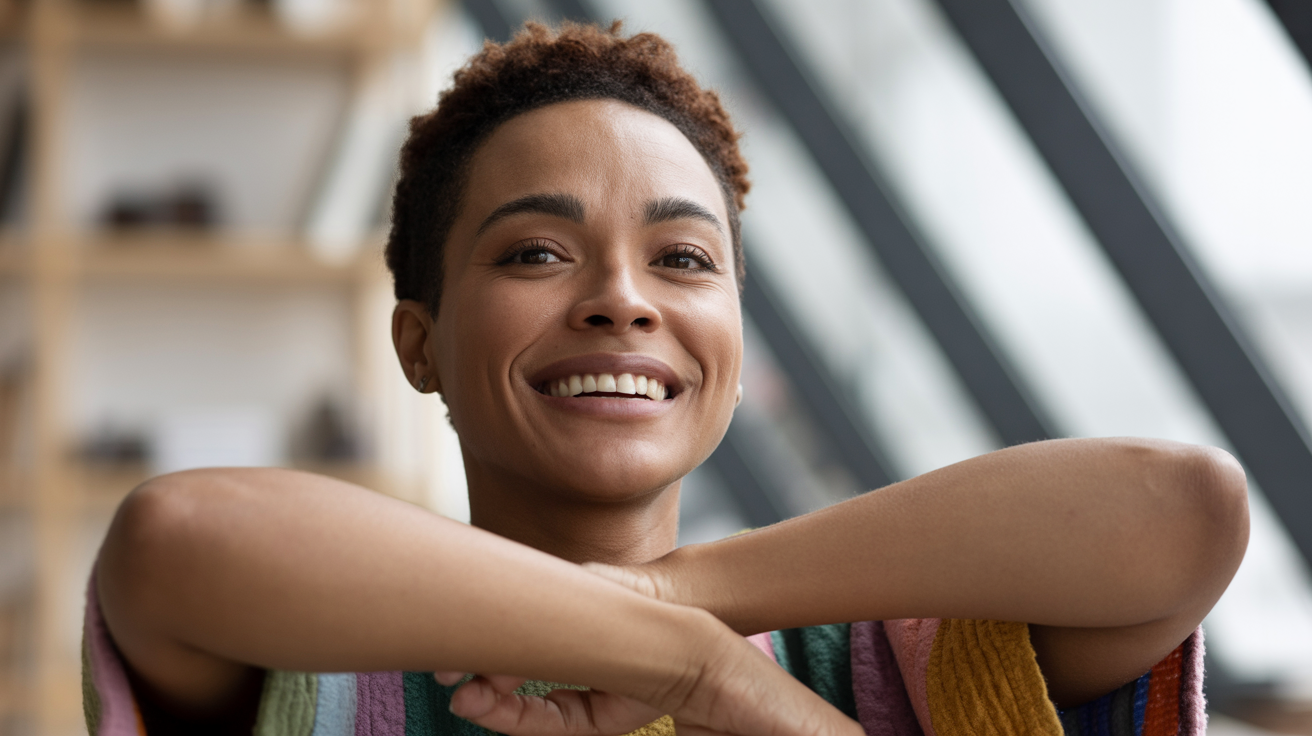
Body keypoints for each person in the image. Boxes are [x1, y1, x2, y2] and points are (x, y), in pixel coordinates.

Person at [83, 22, 1249, 736]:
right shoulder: (320, 671)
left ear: (734, 350)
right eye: (537, 250)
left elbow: (1183, 508)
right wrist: (681, 663)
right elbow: (176, 537)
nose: (621, 298)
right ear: (418, 343)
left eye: (683, 259)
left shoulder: (887, 665)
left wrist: (673, 610)